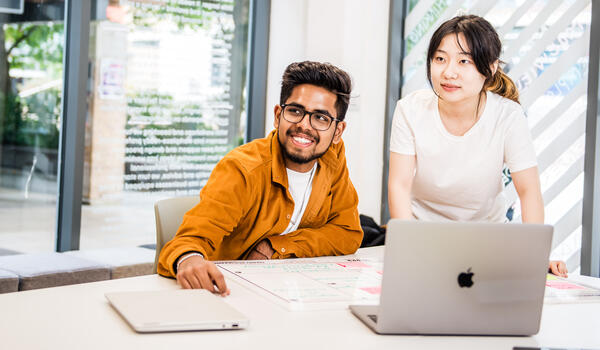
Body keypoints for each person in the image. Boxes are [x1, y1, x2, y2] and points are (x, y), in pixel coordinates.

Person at [158, 61, 363, 294]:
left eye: (320, 118)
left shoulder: (332, 158)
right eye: (295, 111)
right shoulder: (241, 169)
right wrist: (188, 259)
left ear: (337, 132)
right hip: (226, 292)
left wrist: (275, 247)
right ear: (278, 116)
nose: (304, 126)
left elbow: (347, 233)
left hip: (289, 290)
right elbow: (189, 241)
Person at [387, 15, 568, 277]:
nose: (449, 72)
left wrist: (537, 255)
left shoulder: (508, 116)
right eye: (440, 59)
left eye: (464, 61)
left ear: (490, 68)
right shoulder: (410, 110)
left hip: (489, 243)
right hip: (424, 239)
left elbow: (528, 190)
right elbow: (399, 184)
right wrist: (406, 247)